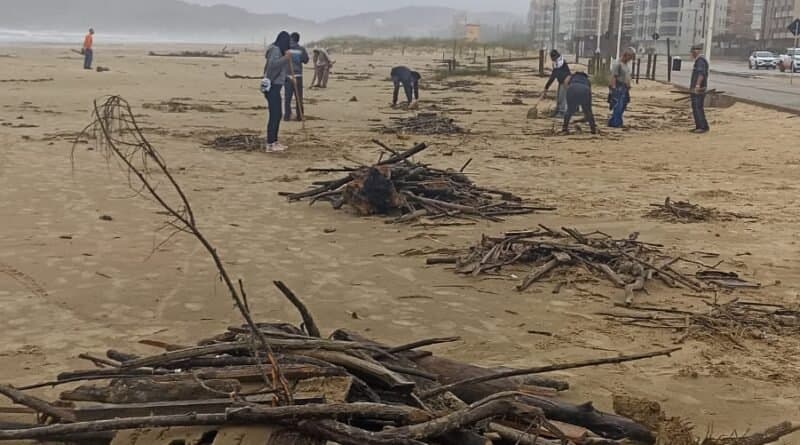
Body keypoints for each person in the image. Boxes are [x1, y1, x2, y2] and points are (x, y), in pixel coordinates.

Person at [262, 31, 292, 152]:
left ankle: (274, 141)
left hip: (276, 86)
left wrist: (287, 78)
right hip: (273, 87)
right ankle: (270, 143)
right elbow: (272, 66)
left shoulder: (278, 50)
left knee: (277, 114)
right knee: (275, 115)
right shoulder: (275, 50)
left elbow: (278, 71)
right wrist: (286, 58)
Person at [284, 32, 309, 121]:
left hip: (288, 75)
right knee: (299, 97)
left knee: (287, 97)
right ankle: (300, 116)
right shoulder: (301, 49)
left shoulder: (286, 49)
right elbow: (306, 60)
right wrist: (299, 58)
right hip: (298, 76)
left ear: (291, 39)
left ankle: (287, 116)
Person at [608, 47, 635, 128]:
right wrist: (613, 88)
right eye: (630, 57)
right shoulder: (618, 64)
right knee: (618, 106)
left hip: (624, 88)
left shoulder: (625, 65)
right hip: (619, 87)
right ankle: (616, 123)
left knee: (623, 105)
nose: (630, 60)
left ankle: (613, 122)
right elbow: (613, 77)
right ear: (625, 55)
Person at [541, 49, 570, 117]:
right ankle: (558, 110)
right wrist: (546, 88)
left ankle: (562, 112)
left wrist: (546, 87)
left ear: (555, 56)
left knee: (562, 97)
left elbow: (553, 77)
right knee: (559, 97)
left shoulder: (560, 63)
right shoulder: (556, 63)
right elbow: (554, 76)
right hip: (561, 81)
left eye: (552, 57)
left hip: (566, 81)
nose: (551, 59)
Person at [689, 43, 710, 133]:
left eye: (693, 51)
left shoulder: (700, 61)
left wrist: (697, 86)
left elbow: (701, 74)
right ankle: (701, 126)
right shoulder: (700, 60)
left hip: (699, 89)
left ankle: (702, 127)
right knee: (698, 107)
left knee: (697, 107)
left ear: (697, 51)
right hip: (699, 88)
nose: (692, 53)